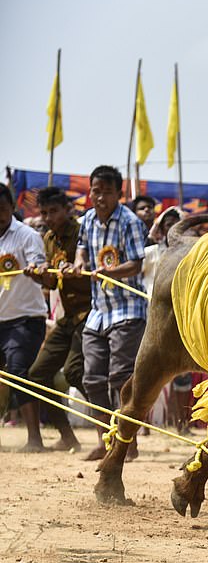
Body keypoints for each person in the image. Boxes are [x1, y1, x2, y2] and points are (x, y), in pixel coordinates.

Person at [64, 165, 149, 461]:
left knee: (120, 378)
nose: (100, 197)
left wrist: (111, 271)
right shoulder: (86, 219)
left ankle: (128, 442)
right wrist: (79, 262)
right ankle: (107, 438)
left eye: (107, 192)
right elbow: (82, 249)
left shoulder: (130, 221)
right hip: (98, 313)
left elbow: (137, 264)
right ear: (90, 192)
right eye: (95, 191)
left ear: (119, 194)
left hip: (128, 310)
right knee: (92, 380)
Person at [19, 187, 89, 452]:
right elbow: (49, 281)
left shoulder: (82, 233)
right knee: (37, 374)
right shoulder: (47, 238)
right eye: (44, 212)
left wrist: (77, 272)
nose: (48, 217)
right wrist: (36, 275)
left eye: (54, 211)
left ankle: (112, 424)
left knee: (75, 372)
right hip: (66, 316)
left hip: (90, 314)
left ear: (67, 210)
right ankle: (67, 436)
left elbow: (91, 269)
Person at [0, 183, 48, 452]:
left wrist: (36, 269)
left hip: (26, 319)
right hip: (0, 319)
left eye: (3, 210)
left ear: (11, 209)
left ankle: (35, 439)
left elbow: (40, 265)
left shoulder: (27, 235)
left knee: (18, 373)